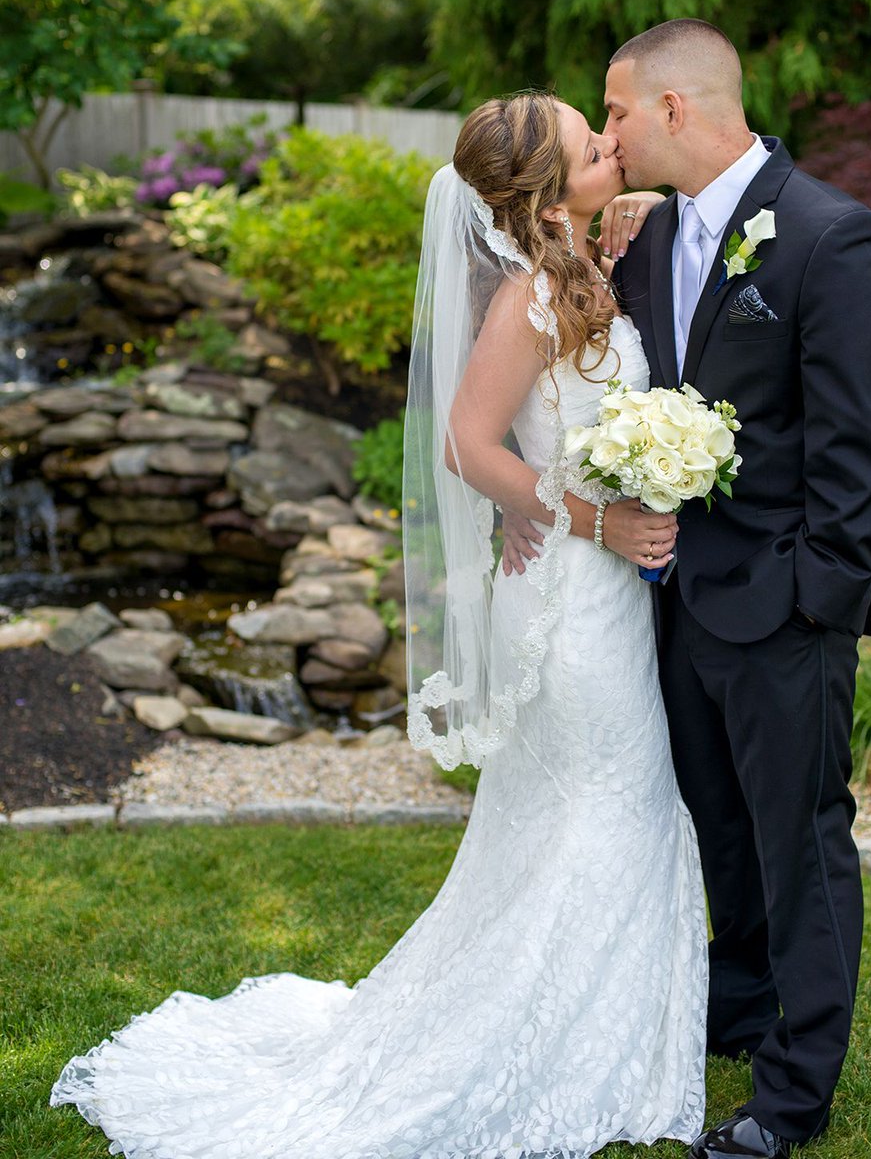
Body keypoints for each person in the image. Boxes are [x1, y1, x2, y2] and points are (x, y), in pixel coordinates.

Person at [50, 93, 709, 1157]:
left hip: (604, 595)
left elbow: (574, 364)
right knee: (608, 803)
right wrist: (596, 514)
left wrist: (628, 198)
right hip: (571, 602)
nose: (613, 146)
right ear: (545, 194)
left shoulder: (580, 265)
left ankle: (612, 1033)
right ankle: (549, 1045)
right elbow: (467, 444)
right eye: (596, 145)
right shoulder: (530, 302)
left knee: (592, 806)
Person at [506, 19, 871, 1159]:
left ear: (676, 109)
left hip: (782, 609)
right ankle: (734, 1015)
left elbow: (863, 449)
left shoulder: (833, 238)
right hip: (669, 605)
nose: (610, 133)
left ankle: (793, 1094)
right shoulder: (643, 238)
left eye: (617, 111)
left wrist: (813, 599)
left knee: (799, 844)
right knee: (716, 835)